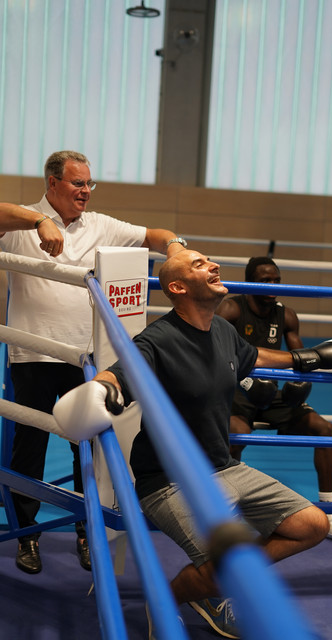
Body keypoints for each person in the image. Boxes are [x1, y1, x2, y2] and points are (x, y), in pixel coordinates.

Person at [53, 250, 332, 639]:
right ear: (178, 288)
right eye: (199, 265)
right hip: (169, 481)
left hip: (225, 467)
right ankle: (171, 598)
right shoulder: (158, 340)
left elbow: (253, 356)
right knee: (229, 569)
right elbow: (119, 372)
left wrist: (310, 358)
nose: (214, 265)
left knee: (313, 525)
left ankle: (214, 582)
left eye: (209, 261)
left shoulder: (222, 330)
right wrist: (102, 390)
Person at [0, 149, 187, 575]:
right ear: (52, 183)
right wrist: (38, 221)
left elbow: (156, 235)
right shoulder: (24, 220)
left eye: (89, 184)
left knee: (88, 449)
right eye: (77, 183)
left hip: (84, 358)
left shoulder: (101, 225)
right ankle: (26, 534)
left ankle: (87, 530)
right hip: (31, 354)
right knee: (28, 448)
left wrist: (174, 248)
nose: (85, 191)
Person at [215, 257, 332, 546]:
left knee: (324, 429)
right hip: (236, 393)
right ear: (249, 282)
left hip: (270, 393)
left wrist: (301, 383)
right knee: (237, 436)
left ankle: (330, 515)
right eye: (264, 281)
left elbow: (302, 359)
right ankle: (229, 517)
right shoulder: (232, 309)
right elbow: (213, 351)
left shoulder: (287, 315)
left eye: (276, 281)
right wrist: (245, 381)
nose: (272, 287)